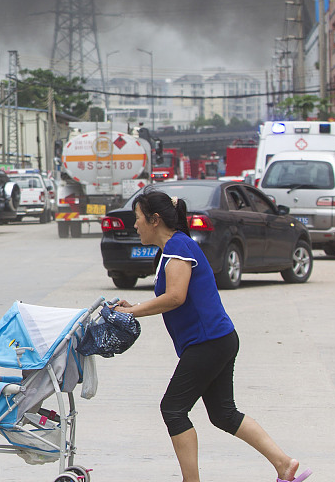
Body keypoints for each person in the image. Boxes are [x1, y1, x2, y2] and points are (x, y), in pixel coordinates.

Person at [114, 190, 309, 482]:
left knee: (173, 409)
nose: (135, 225)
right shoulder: (175, 247)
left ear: (155, 220)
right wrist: (134, 307)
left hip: (208, 343)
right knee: (223, 414)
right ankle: (284, 464)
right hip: (218, 339)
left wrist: (133, 312)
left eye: (138, 218)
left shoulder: (178, 247)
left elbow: (175, 297)